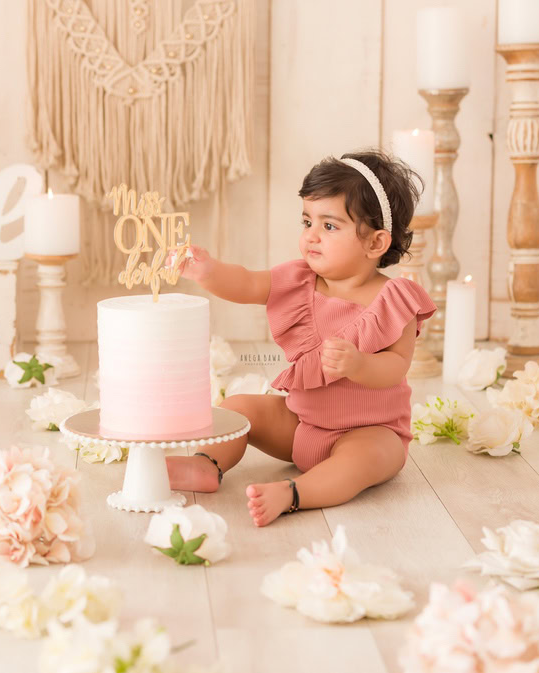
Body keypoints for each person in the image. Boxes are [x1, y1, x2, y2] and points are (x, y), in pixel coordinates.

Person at [166, 149, 436, 526]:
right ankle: (205, 465)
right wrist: (208, 271)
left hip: (369, 432)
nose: (311, 236)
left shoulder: (393, 300)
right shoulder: (298, 281)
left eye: (329, 226)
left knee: (362, 461)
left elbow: (395, 366)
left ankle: (294, 494)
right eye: (307, 221)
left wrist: (359, 364)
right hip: (300, 425)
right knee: (240, 408)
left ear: (375, 243)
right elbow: (245, 282)